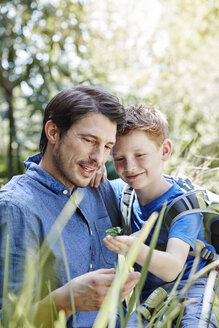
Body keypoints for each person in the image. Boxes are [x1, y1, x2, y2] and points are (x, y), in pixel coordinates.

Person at [0, 85, 140, 328]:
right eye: (89, 140)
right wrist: (65, 301)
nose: (99, 158)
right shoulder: (16, 208)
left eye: (107, 146)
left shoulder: (102, 190)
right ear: (53, 132)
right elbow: (10, 320)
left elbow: (165, 194)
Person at [104, 103, 217, 327]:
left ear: (164, 151)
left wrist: (131, 248)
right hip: (151, 297)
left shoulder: (183, 207)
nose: (130, 167)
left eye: (140, 155)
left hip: (192, 292)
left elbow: (172, 268)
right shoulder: (125, 195)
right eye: (119, 159)